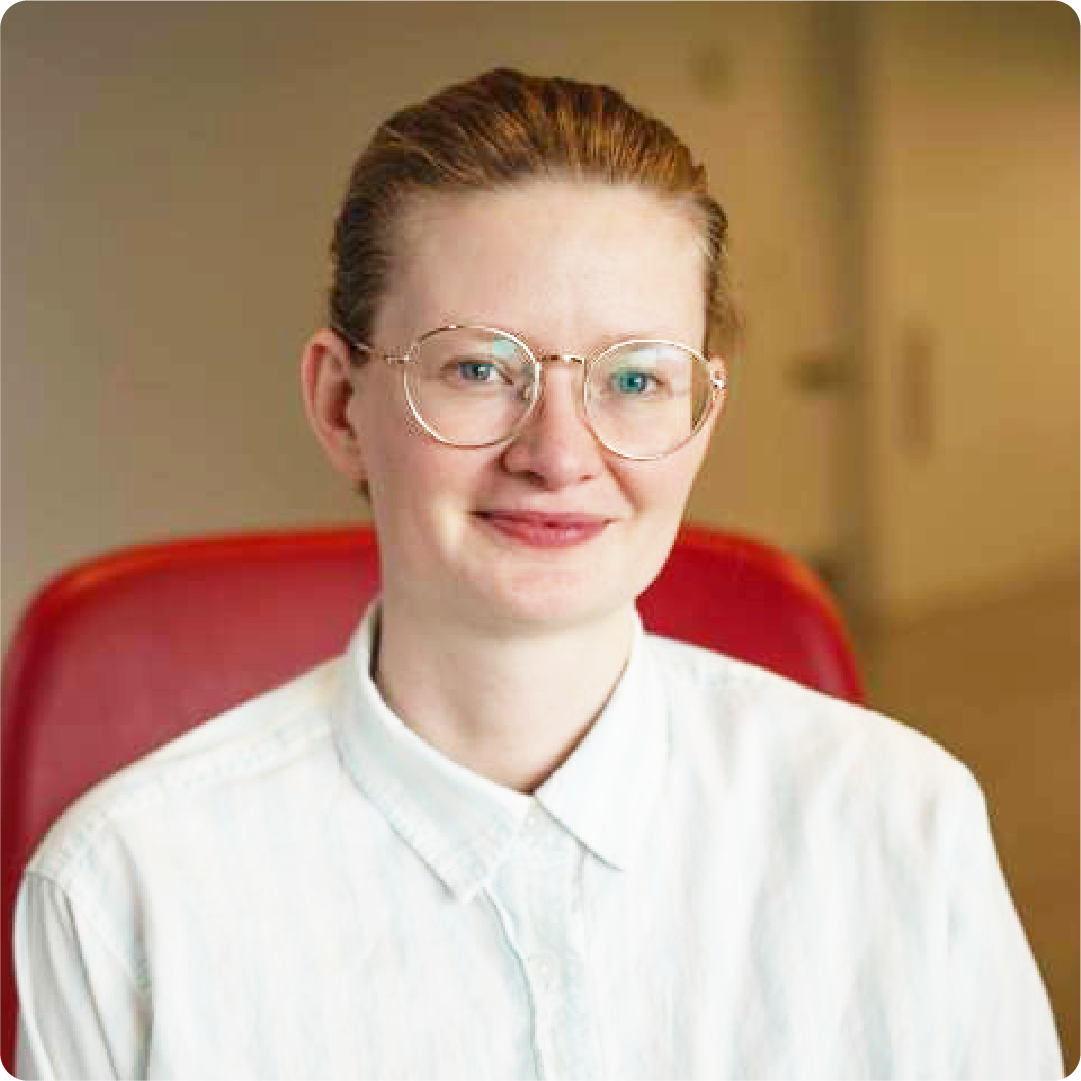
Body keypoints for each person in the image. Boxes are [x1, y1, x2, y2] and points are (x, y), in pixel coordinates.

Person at [13, 69, 1063, 1080]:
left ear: (701, 417)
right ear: (341, 407)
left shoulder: (899, 821)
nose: (559, 453)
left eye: (636, 377)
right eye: (477, 367)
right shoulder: (120, 896)